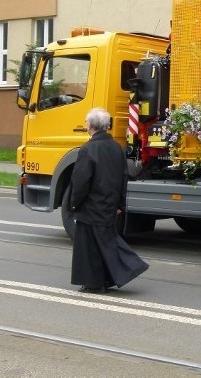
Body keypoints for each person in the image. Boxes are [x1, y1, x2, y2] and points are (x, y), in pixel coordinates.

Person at [69, 108, 149, 293]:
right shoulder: (117, 148)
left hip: (90, 206)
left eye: (86, 122)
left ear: (89, 125)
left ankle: (95, 283)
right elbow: (123, 177)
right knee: (104, 243)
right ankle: (105, 280)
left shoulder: (88, 149)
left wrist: (74, 204)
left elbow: (81, 181)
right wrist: (120, 204)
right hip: (109, 204)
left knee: (90, 248)